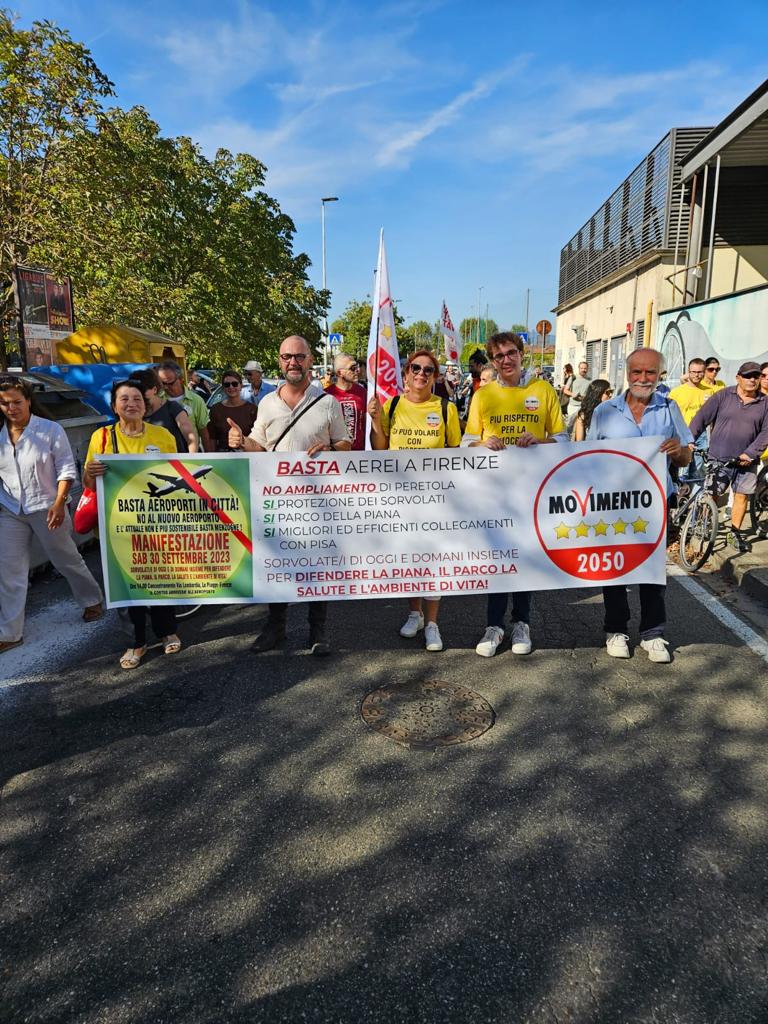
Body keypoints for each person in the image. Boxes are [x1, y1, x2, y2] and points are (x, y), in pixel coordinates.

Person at [227, 335, 351, 655]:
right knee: (278, 564)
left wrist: (330, 447)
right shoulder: (267, 403)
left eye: (299, 356)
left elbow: (346, 445)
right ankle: (276, 627)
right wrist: (241, 442)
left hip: (320, 500)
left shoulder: (327, 403)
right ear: (279, 361)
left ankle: (317, 630)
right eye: (286, 357)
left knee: (317, 565)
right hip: (279, 500)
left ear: (310, 360)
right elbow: (259, 445)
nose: (292, 362)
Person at [463, 331, 568, 658]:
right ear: (492, 362)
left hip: (532, 489)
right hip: (495, 491)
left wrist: (540, 442)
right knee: (497, 558)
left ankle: (521, 623)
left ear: (522, 354)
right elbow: (466, 443)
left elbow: (563, 440)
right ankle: (493, 626)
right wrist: (484, 442)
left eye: (511, 353)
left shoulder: (543, 390)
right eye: (498, 357)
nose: (505, 360)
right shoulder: (483, 395)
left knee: (524, 556)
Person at [588, 348, 692, 663]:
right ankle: (615, 629)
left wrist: (677, 452)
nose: (643, 378)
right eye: (637, 372)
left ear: (659, 375)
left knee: (651, 570)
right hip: (613, 501)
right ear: (627, 373)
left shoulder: (670, 408)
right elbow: (589, 457)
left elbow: (687, 455)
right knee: (614, 566)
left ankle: (653, 633)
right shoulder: (605, 411)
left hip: (655, 501)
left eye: (650, 373)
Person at [0, 376, 103, 653]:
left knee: (66, 559)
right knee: (9, 570)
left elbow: (67, 470)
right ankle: (10, 632)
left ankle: (92, 600)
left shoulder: (49, 430)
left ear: (29, 401)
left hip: (48, 506)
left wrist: (59, 503)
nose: (11, 408)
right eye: (4, 403)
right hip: (10, 510)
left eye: (16, 402)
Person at [368, 349, 462, 653]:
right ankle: (415, 614)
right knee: (409, 557)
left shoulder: (446, 408)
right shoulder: (391, 404)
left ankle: (432, 623)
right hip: (401, 499)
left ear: (435, 377)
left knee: (434, 559)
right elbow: (380, 449)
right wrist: (374, 421)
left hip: (437, 498)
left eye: (428, 370)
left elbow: (457, 453)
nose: (421, 374)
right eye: (416, 368)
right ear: (406, 373)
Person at [83, 380, 180, 668]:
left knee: (160, 579)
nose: (131, 404)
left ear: (145, 404)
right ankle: (136, 643)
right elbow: (89, 483)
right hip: (118, 525)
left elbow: (175, 474)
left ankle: (166, 631)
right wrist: (90, 471)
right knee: (125, 585)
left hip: (155, 523)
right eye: (124, 399)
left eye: (137, 398)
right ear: (114, 406)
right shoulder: (100, 437)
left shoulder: (162, 436)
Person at [689, 360, 768, 553]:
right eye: (747, 376)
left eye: (756, 376)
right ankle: (705, 526)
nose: (752, 380)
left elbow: (766, 432)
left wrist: (750, 453)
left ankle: (735, 532)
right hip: (719, 456)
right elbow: (701, 418)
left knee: (742, 497)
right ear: (738, 378)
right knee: (713, 493)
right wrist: (689, 440)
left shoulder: (765, 403)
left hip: (746, 460)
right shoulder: (723, 396)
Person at [128, 367, 198, 453]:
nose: (138, 396)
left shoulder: (172, 408)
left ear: (154, 390)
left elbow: (190, 436)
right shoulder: (134, 413)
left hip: (176, 464)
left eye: (142, 391)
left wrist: (191, 459)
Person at [668, 357, 714, 479]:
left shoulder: (709, 392)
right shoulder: (676, 392)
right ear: (689, 372)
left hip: (701, 436)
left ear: (704, 372)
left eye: (700, 372)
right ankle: (681, 496)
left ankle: (695, 496)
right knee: (682, 471)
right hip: (681, 435)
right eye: (693, 372)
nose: (697, 375)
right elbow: (669, 416)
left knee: (698, 472)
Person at [157, 361, 212, 452]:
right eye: (163, 383)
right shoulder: (157, 400)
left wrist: (209, 457)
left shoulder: (196, 401)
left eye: (170, 383)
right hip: (164, 455)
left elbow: (204, 433)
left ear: (181, 379)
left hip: (190, 454)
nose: (166, 387)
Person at [207, 370, 258, 451]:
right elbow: (212, 438)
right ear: (223, 388)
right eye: (227, 385)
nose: (231, 387)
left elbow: (258, 438)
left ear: (241, 386)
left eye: (234, 384)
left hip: (247, 456)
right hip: (223, 457)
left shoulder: (252, 409)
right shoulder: (216, 409)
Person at [325, 354, 367, 450]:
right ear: (340, 373)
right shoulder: (327, 395)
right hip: (337, 456)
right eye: (352, 368)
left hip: (360, 455)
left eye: (357, 366)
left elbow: (367, 424)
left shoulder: (362, 392)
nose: (357, 370)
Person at [565, 360, 591, 431]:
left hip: (583, 407)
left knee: (581, 426)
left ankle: (578, 441)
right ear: (578, 368)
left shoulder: (589, 380)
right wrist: (572, 394)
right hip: (573, 406)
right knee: (570, 426)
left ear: (587, 369)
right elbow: (565, 390)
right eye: (582, 368)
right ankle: (567, 440)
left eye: (585, 368)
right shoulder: (573, 377)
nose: (583, 370)